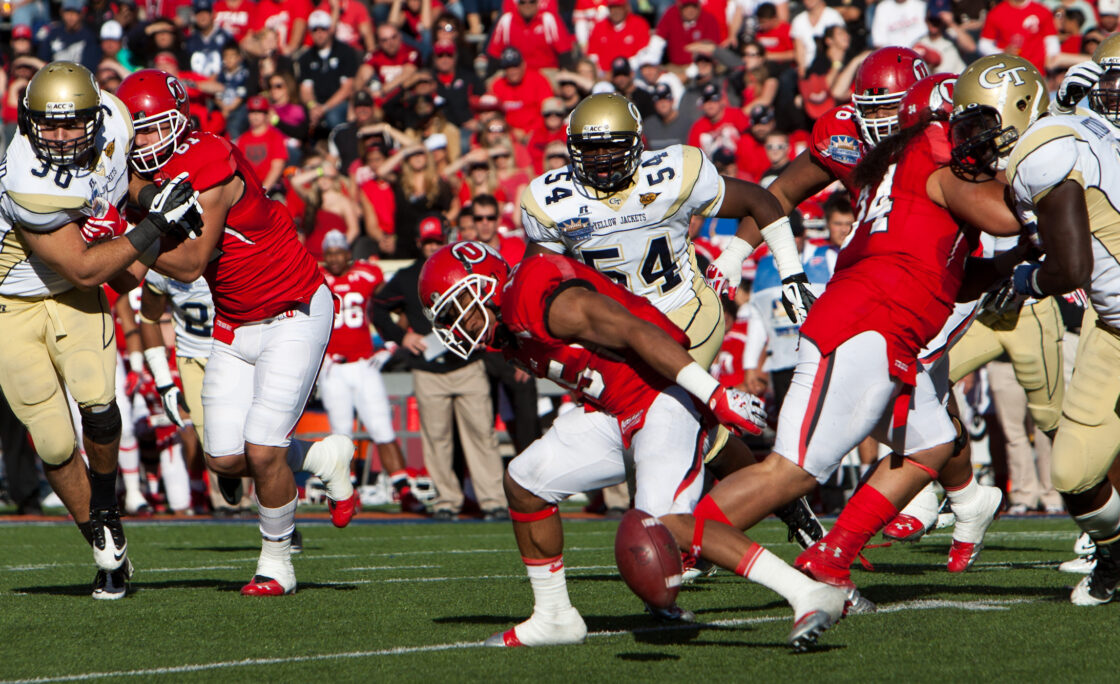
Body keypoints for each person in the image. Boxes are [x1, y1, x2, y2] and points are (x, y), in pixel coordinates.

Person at [418, 242, 845, 650]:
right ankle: (554, 616)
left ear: (486, 283)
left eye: (459, 307)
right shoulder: (508, 329)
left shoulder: (534, 296)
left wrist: (714, 395)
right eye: (447, 317)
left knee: (666, 520)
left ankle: (807, 592)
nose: (459, 324)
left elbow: (633, 329)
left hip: (662, 396)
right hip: (616, 409)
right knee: (524, 482)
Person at [117, 69, 359, 596]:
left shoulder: (211, 161)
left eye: (153, 128)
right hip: (232, 321)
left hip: (291, 309)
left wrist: (129, 229)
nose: (142, 142)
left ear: (179, 124)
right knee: (224, 458)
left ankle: (276, 563)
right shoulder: (153, 163)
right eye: (134, 130)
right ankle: (321, 456)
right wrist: (138, 193)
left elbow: (189, 262)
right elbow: (136, 187)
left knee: (264, 449)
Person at [0, 61, 203, 599]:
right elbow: (87, 267)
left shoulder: (115, 119)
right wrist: (157, 225)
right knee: (52, 438)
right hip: (13, 301)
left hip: (70, 297)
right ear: (27, 121)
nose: (62, 137)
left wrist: (147, 197)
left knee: (98, 400)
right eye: (50, 125)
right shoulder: (27, 177)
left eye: (73, 125)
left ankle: (108, 510)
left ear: (96, 116)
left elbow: (120, 178)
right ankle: (99, 535)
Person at [951, 53, 1120, 605]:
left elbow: (1072, 267)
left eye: (980, 122)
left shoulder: (1042, 152)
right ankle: (1116, 556)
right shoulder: (1067, 130)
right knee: (1071, 470)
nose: (972, 136)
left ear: (1017, 108)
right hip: (1114, 325)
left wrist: (1026, 280)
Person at [369, 216, 509, 520]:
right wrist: (402, 336)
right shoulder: (408, 276)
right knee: (436, 439)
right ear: (420, 243)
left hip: (467, 363)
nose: (433, 246)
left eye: (437, 241)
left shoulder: (462, 271)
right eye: (428, 242)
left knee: (481, 436)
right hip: (428, 369)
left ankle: (493, 499)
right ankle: (447, 499)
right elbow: (377, 307)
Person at [317, 230, 425, 514]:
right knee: (341, 434)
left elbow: (396, 304)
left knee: (382, 428)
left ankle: (404, 490)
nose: (335, 258)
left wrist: (390, 343)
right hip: (333, 367)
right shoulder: (316, 278)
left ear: (348, 253)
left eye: (339, 252)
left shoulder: (368, 274)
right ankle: (347, 493)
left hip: (365, 364)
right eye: (329, 254)